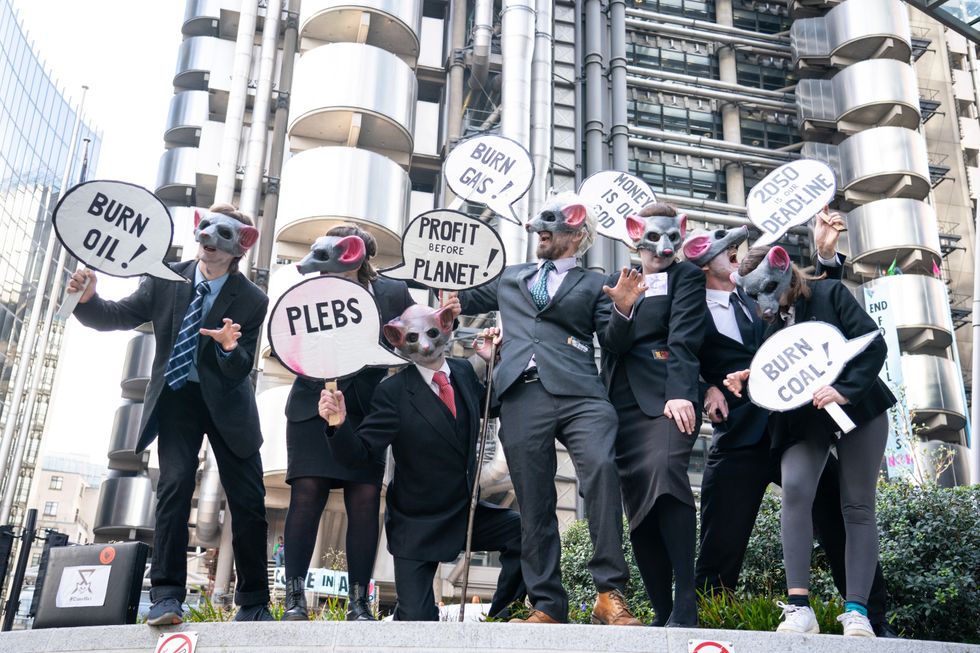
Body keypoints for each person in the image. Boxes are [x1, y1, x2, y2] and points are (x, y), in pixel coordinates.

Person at [686, 214, 894, 637]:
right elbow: (763, 360)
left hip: (841, 413)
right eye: (752, 295)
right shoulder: (755, 316)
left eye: (766, 291)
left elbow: (863, 338)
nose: (762, 304)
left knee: (851, 508)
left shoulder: (818, 294)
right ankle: (783, 608)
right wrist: (736, 380)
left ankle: (864, 613)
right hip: (776, 427)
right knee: (773, 505)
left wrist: (845, 390)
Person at [68, 203, 272, 624]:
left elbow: (240, 371)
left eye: (221, 240)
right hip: (178, 398)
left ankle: (253, 603)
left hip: (229, 405)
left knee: (249, 501)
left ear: (240, 248)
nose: (209, 245)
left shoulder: (252, 300)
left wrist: (229, 347)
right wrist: (88, 300)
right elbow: (118, 316)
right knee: (174, 487)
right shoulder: (165, 278)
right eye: (205, 234)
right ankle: (166, 596)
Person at [451, 192, 641, 626]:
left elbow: (612, 343)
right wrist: (445, 289)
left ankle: (610, 595)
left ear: (575, 237)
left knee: (601, 472)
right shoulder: (511, 277)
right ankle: (548, 605)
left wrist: (624, 309)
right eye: (540, 228)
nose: (541, 235)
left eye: (551, 229)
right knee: (534, 502)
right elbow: (461, 299)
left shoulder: (596, 283)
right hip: (522, 393)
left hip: (581, 394)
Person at [318, 305, 526, 621]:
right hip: (417, 525)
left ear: (446, 326)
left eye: (431, 333)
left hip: (463, 513)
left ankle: (501, 618)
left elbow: (494, 404)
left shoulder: (465, 372)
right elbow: (360, 455)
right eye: (413, 337)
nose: (425, 344)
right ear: (397, 340)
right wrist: (339, 423)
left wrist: (494, 361)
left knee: (524, 531)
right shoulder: (392, 391)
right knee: (417, 621)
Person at [280, 224, 415, 621]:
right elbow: (289, 338)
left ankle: (359, 602)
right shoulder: (307, 291)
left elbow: (415, 339)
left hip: (366, 411)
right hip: (312, 405)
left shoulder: (391, 293)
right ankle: (293, 599)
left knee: (365, 500)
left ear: (355, 256)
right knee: (305, 497)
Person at [598, 203, 706, 627]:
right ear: (633, 235)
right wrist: (623, 310)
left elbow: (685, 339)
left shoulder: (687, 278)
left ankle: (686, 601)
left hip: (666, 397)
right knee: (640, 505)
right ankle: (664, 613)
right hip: (620, 403)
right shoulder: (617, 281)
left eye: (671, 238)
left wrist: (681, 393)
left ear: (680, 234)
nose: (662, 248)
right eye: (653, 238)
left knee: (667, 476)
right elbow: (611, 345)